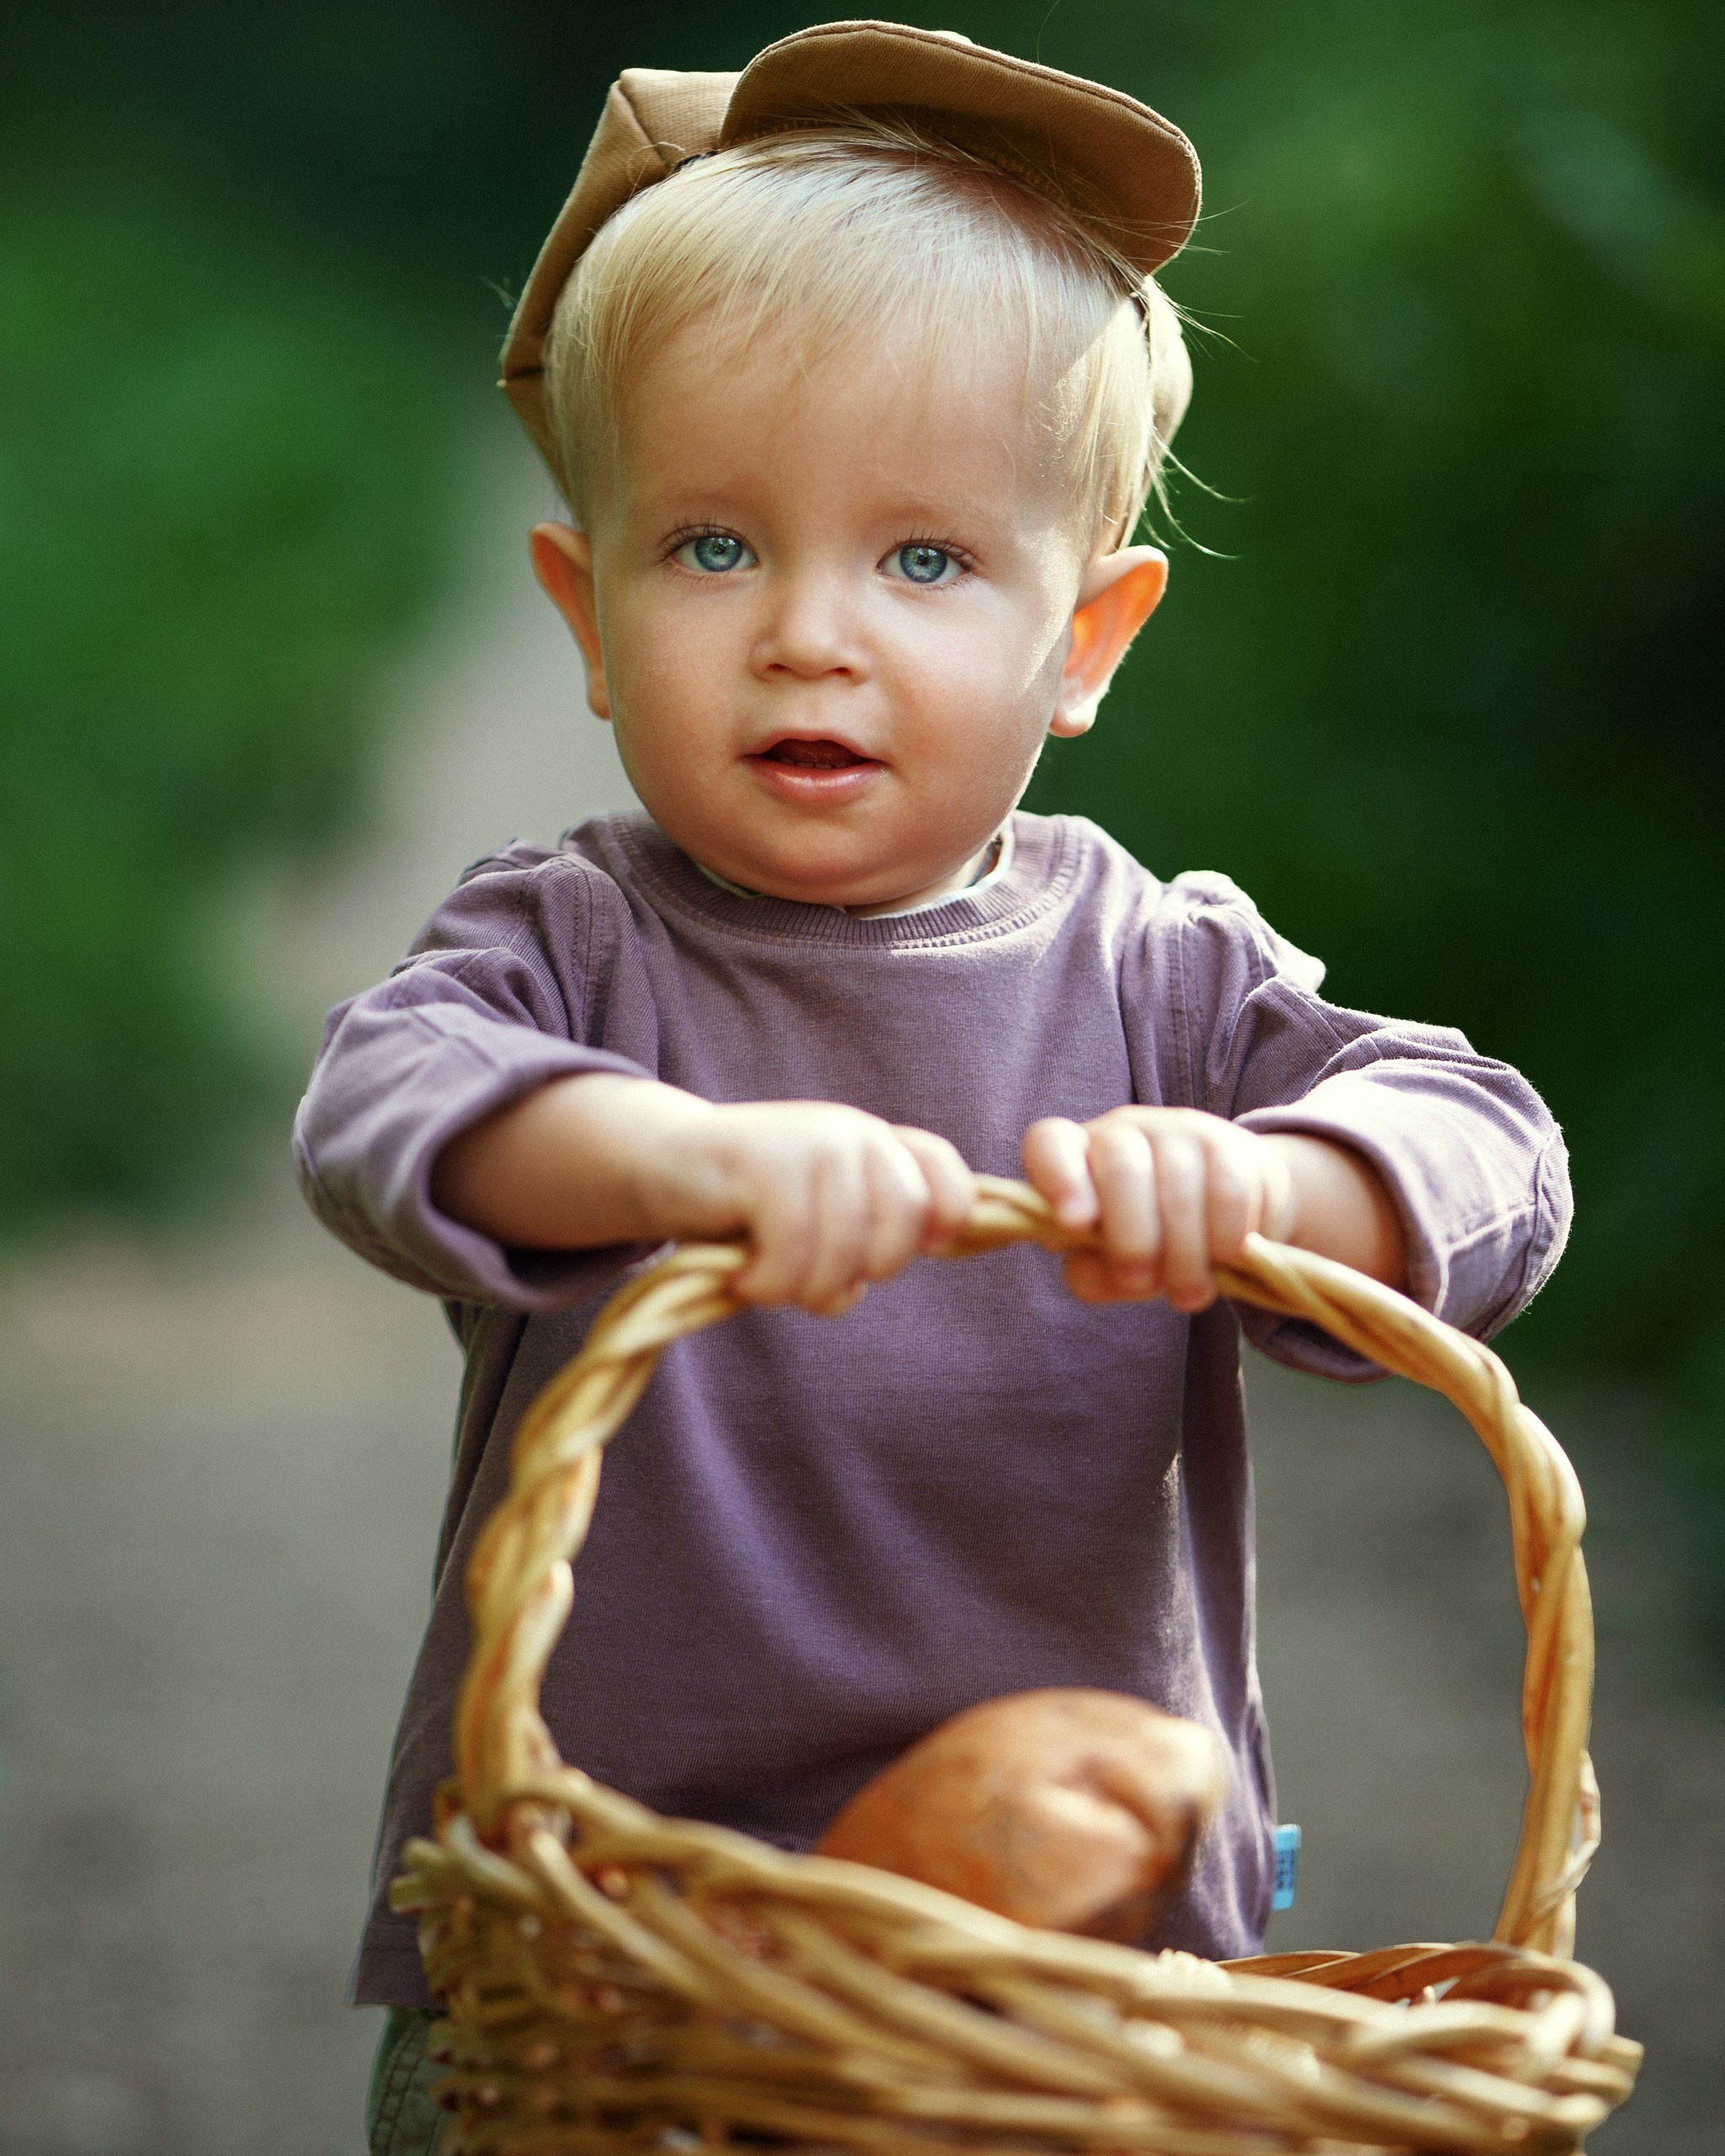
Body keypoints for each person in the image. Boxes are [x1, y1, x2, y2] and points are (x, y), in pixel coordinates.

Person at [295, 24, 1571, 2152]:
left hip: (1060, 1955)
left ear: (1086, 638)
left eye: (921, 562)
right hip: (616, 1925)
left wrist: (1279, 1187)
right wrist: (674, 1153)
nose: (807, 634)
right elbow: (381, 1100)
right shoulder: (574, 948)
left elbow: (1492, 1146)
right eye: (710, 548)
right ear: (584, 615)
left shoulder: (1158, 970)